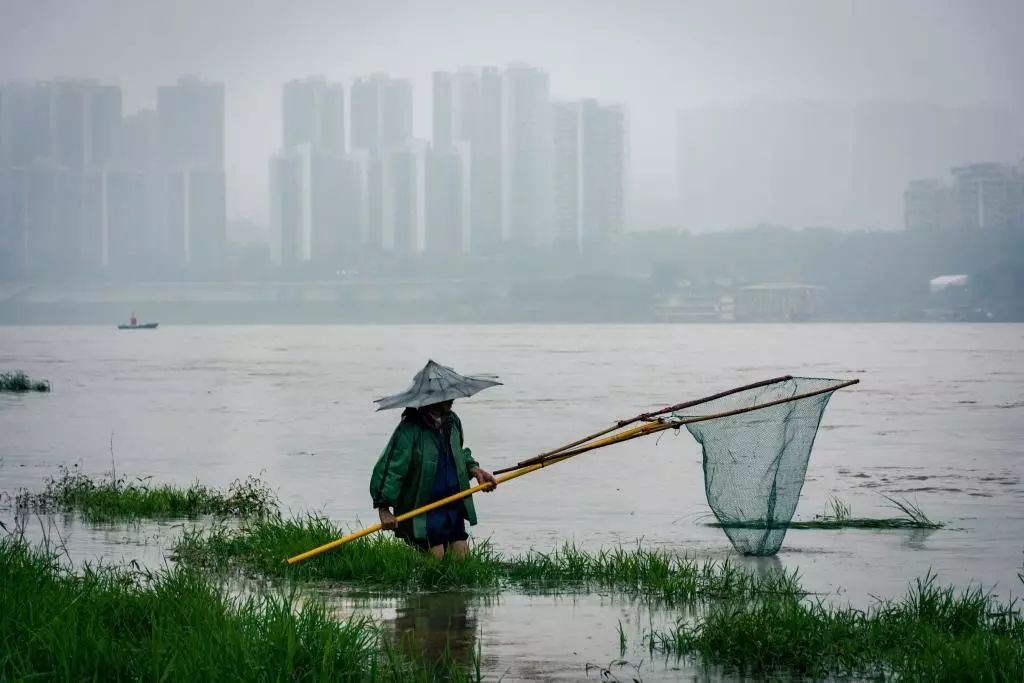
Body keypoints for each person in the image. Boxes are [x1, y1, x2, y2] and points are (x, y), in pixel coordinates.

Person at [370, 399, 498, 559]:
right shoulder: (409, 430)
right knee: (435, 556)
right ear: (430, 399)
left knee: (461, 556)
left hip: (453, 503)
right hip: (423, 508)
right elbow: (391, 469)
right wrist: (383, 508)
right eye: (447, 397)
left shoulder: (452, 422)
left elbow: (458, 453)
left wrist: (475, 469)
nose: (451, 399)